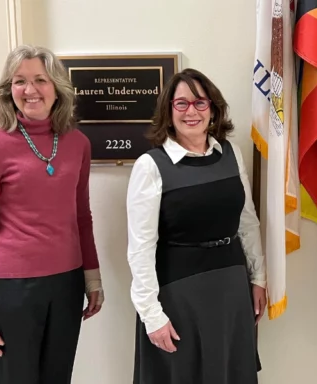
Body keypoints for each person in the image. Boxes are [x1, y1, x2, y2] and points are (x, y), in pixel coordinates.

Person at [0, 44, 104, 384]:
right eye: (19, 81)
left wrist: (92, 278)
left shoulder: (78, 143)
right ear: (8, 90)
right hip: (12, 289)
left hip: (67, 284)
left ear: (56, 88)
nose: (30, 90)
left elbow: (81, 217)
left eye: (40, 79)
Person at [126, 68, 266, 384]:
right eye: (182, 104)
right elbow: (140, 248)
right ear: (168, 110)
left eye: (200, 103)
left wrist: (258, 277)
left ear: (213, 109)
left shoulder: (231, 153)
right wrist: (152, 316)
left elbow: (247, 221)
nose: (192, 111)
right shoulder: (151, 166)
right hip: (178, 294)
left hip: (231, 287)